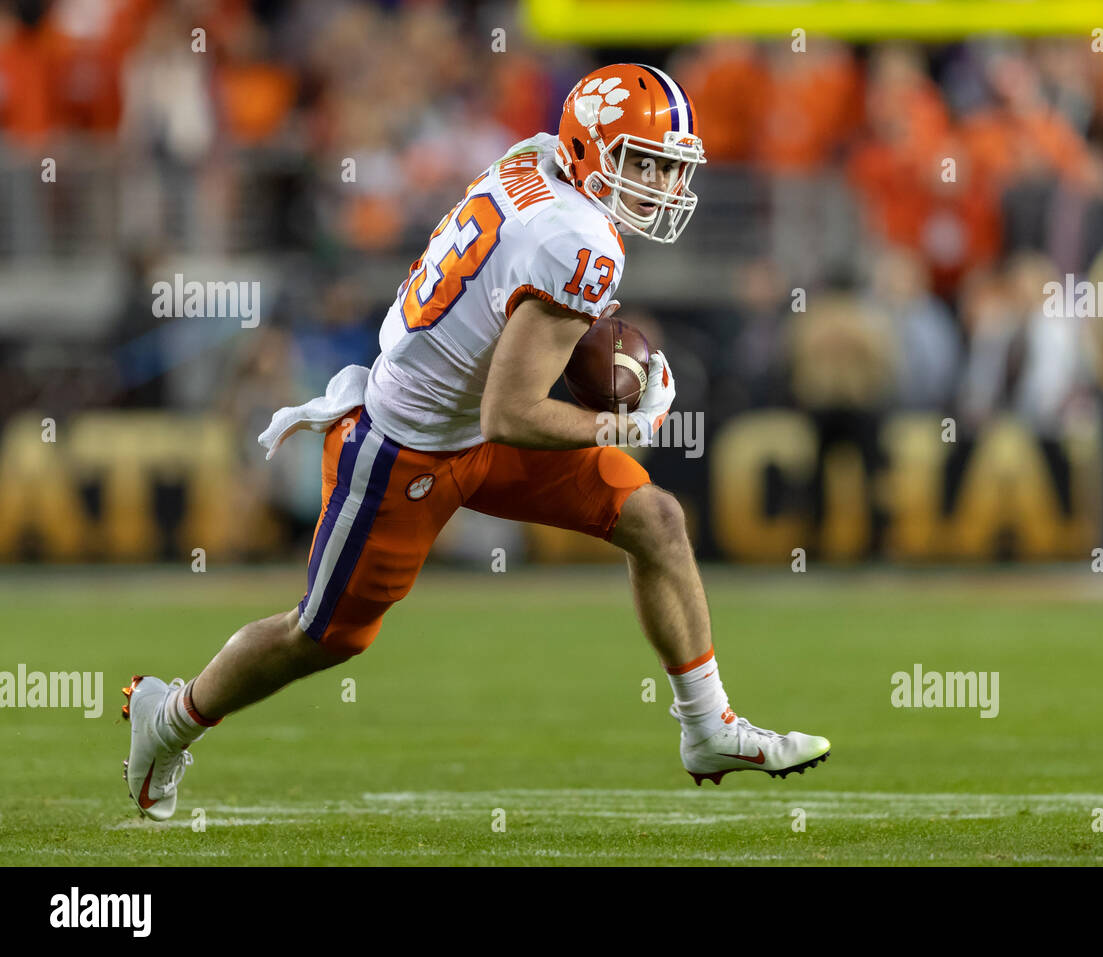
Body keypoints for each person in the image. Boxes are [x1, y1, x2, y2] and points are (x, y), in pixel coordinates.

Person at [122, 64, 830, 820]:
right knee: (323, 636)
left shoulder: (530, 159)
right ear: (590, 151)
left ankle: (707, 725)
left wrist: (610, 362)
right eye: (641, 161)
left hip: (465, 423)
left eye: (666, 166)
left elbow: (511, 324)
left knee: (654, 519)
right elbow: (511, 413)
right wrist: (625, 420)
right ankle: (169, 716)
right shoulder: (581, 240)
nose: (657, 182)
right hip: (405, 447)